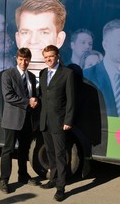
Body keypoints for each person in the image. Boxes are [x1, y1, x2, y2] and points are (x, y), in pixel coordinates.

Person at [0, 48, 38, 194]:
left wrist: (35, 101)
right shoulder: (8, 74)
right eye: (21, 59)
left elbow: (33, 96)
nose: (24, 62)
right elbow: (8, 96)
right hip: (12, 120)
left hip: (27, 120)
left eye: (26, 59)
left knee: (24, 150)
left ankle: (23, 175)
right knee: (8, 150)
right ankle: (4, 180)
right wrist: (28, 102)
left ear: (29, 60)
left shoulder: (32, 77)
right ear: (16, 59)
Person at [39, 45, 75, 202]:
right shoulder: (43, 73)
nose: (48, 60)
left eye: (51, 57)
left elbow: (71, 100)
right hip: (44, 121)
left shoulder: (67, 73)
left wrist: (68, 120)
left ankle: (61, 187)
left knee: (60, 155)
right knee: (50, 152)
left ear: (58, 56)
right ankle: (52, 179)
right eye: (46, 57)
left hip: (60, 122)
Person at [15, 0, 67, 76]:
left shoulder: (80, 87)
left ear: (59, 39)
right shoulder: (2, 81)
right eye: (25, 32)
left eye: (44, 33)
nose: (33, 41)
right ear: (17, 39)